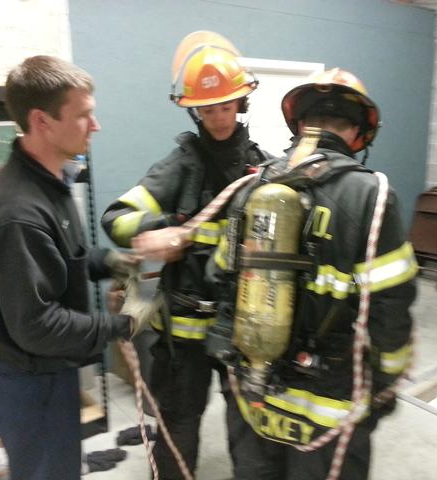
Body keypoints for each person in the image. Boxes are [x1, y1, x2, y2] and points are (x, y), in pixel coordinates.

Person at [206, 68, 417, 479]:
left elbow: (220, 277)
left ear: (300, 125)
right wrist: (387, 378)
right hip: (330, 398)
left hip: (253, 391)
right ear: (358, 134)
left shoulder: (250, 187)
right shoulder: (371, 194)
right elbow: (391, 304)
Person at [101, 32, 270, 479]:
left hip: (242, 328)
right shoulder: (178, 167)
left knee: (251, 427)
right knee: (178, 424)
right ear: (194, 110)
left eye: (226, 106)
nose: (218, 118)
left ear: (241, 104)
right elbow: (116, 217)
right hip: (185, 336)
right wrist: (157, 232)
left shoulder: (264, 171)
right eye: (208, 109)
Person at [0, 55, 142, 480]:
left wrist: (110, 261)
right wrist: (122, 325)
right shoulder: (18, 215)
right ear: (41, 121)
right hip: (32, 382)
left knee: (60, 466)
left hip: (49, 371)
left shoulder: (51, 182)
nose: (95, 126)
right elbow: (37, 325)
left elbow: (61, 261)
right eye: (84, 116)